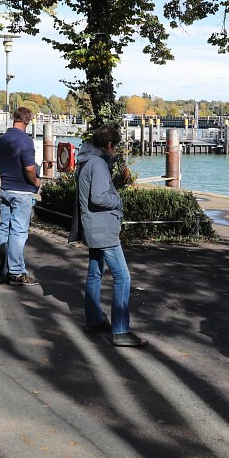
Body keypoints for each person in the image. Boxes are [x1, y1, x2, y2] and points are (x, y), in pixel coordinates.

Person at [70, 123, 145, 348]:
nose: (116, 151)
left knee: (95, 273)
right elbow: (100, 198)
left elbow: (99, 189)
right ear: (109, 145)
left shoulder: (86, 161)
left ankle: (94, 320)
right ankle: (121, 330)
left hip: (92, 226)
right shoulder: (98, 164)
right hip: (103, 229)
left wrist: (119, 182)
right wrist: (119, 201)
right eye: (115, 147)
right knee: (123, 277)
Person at [0, 106, 41, 285]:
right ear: (28, 120)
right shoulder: (26, 141)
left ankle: (2, 268)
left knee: (5, 228)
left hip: (6, 188)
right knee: (19, 231)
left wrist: (5, 176)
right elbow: (29, 168)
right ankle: (16, 272)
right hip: (22, 191)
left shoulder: (2, 139)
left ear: (14, 118)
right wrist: (35, 182)